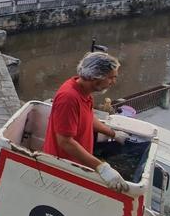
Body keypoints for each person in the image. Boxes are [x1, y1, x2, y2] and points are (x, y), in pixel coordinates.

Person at [43, 52, 131, 192]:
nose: (113, 82)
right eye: (111, 78)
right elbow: (65, 141)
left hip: (79, 163)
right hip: (64, 167)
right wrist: (101, 168)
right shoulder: (69, 98)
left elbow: (88, 118)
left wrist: (113, 134)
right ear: (97, 78)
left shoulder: (84, 92)